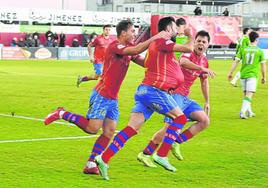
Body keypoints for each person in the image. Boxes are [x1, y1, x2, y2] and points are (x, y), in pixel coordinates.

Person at [43, 19, 170, 175]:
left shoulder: (129, 48)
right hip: (102, 94)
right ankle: (62, 113)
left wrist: (163, 54)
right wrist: (155, 38)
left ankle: (91, 163)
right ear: (123, 33)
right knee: (92, 128)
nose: (134, 34)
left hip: (112, 98)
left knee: (109, 132)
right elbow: (136, 49)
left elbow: (146, 63)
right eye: (132, 31)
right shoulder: (115, 46)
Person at [95, 17, 215, 180]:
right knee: (179, 118)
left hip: (146, 91)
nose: (176, 29)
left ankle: (104, 158)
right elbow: (188, 47)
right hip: (154, 91)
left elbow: (149, 63)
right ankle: (162, 155)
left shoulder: (160, 47)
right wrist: (189, 34)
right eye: (174, 27)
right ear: (167, 29)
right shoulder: (162, 42)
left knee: (131, 129)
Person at [137, 30, 213, 168]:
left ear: (208, 45)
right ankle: (146, 154)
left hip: (185, 98)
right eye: (198, 41)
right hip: (174, 95)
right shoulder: (188, 53)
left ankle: (177, 142)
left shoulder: (204, 61)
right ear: (194, 42)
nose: (200, 44)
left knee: (204, 121)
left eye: (204, 42)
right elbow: (183, 62)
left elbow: (204, 81)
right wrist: (201, 68)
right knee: (168, 128)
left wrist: (207, 101)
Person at [228, 31, 266, 119]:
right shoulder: (259, 51)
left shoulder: (243, 49)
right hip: (252, 76)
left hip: (243, 75)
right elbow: (263, 66)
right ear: (257, 39)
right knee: (249, 95)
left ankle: (249, 112)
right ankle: (242, 112)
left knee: (246, 95)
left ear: (249, 39)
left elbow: (236, 61)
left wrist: (230, 73)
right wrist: (264, 77)